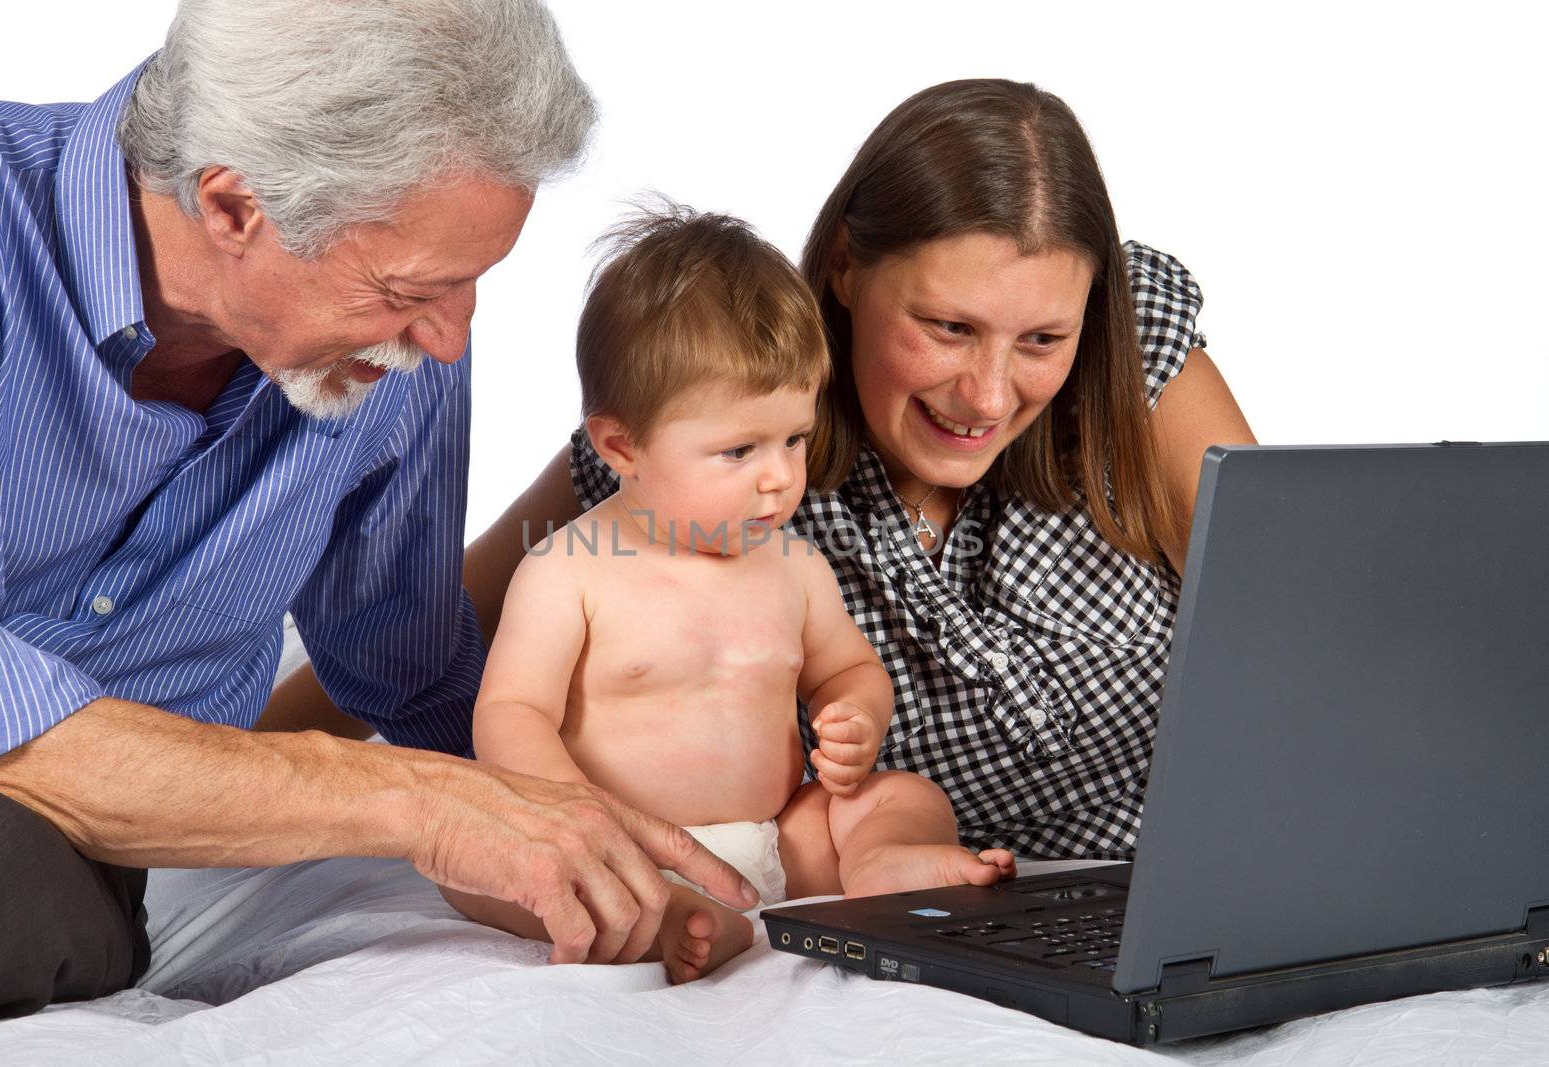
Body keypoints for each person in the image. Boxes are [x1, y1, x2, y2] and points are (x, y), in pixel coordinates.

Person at [0, 0, 758, 1027]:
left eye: (473, 284)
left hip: (47, 851)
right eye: (412, 287)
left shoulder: (396, 354)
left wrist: (606, 829)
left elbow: (411, 666)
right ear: (235, 206)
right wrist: (406, 801)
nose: (451, 339)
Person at [276, 78, 1258, 861]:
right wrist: (240, 763)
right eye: (948, 328)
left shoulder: (1135, 365)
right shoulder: (714, 437)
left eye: (1041, 337)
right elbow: (425, 627)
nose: (991, 395)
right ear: (843, 267)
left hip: (1200, 862)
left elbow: (1310, 624)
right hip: (953, 883)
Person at [436, 208, 1015, 983]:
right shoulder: (568, 570)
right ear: (620, 447)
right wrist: (575, 814)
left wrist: (856, 716)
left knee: (899, 792)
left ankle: (882, 861)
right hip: (623, 844)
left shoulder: (796, 565)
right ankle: (668, 914)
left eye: (793, 439)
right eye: (738, 449)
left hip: (775, 840)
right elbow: (512, 712)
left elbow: (848, 670)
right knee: (476, 865)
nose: (778, 475)